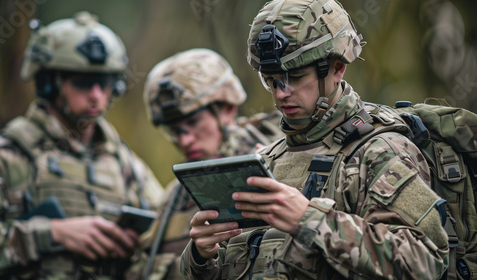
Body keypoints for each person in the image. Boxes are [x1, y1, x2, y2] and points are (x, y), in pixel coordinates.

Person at [180, 1, 450, 280]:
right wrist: (202, 255)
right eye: (271, 80)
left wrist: (309, 219)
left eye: (294, 77)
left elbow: (425, 261)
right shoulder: (267, 161)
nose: (281, 93)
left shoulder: (380, 152)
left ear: (337, 69)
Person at [0, 12, 164, 279]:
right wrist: (53, 234)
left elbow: (164, 245)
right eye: (83, 82)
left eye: (106, 82)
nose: (97, 95)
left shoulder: (128, 168)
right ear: (49, 83)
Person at [126, 48, 284, 280]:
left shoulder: (271, 169)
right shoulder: (176, 193)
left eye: (193, 121)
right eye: (174, 130)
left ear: (227, 109)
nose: (184, 140)